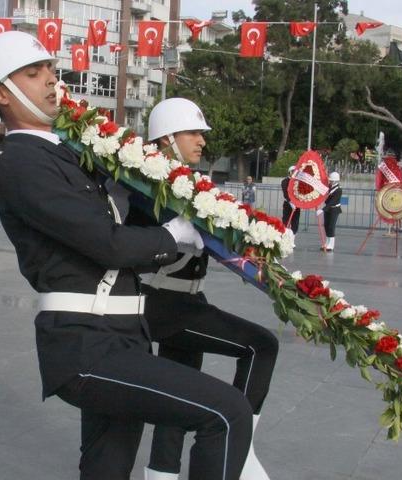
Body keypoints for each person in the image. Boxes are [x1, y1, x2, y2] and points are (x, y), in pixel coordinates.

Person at [0, 31, 252, 480]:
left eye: (50, 69)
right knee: (225, 413)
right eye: (34, 72)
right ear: (3, 94)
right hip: (86, 345)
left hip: (120, 336)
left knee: (107, 470)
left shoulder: (65, 156)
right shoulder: (23, 162)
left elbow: (114, 235)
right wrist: (175, 234)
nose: (51, 80)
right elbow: (107, 243)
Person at [139, 98, 279, 480]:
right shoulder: (150, 183)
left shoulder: (181, 182)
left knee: (177, 400)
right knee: (261, 345)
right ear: (167, 138)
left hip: (183, 301)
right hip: (164, 303)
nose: (202, 140)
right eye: (194, 132)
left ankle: (160, 473)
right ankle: (242, 448)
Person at [320, 172, 342, 252]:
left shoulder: (338, 190)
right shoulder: (329, 187)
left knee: (331, 226)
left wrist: (322, 209)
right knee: (326, 225)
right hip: (328, 209)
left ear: (336, 181)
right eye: (331, 180)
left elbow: (332, 201)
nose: (331, 181)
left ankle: (331, 244)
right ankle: (327, 242)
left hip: (334, 209)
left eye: (332, 180)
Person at [280, 166, 300, 234]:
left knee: (295, 222)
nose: (294, 173)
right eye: (292, 172)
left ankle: (292, 239)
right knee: (285, 221)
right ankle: (284, 237)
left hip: (296, 204)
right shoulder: (284, 181)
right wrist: (291, 202)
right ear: (289, 172)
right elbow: (286, 193)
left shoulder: (298, 181)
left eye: (295, 172)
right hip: (288, 204)